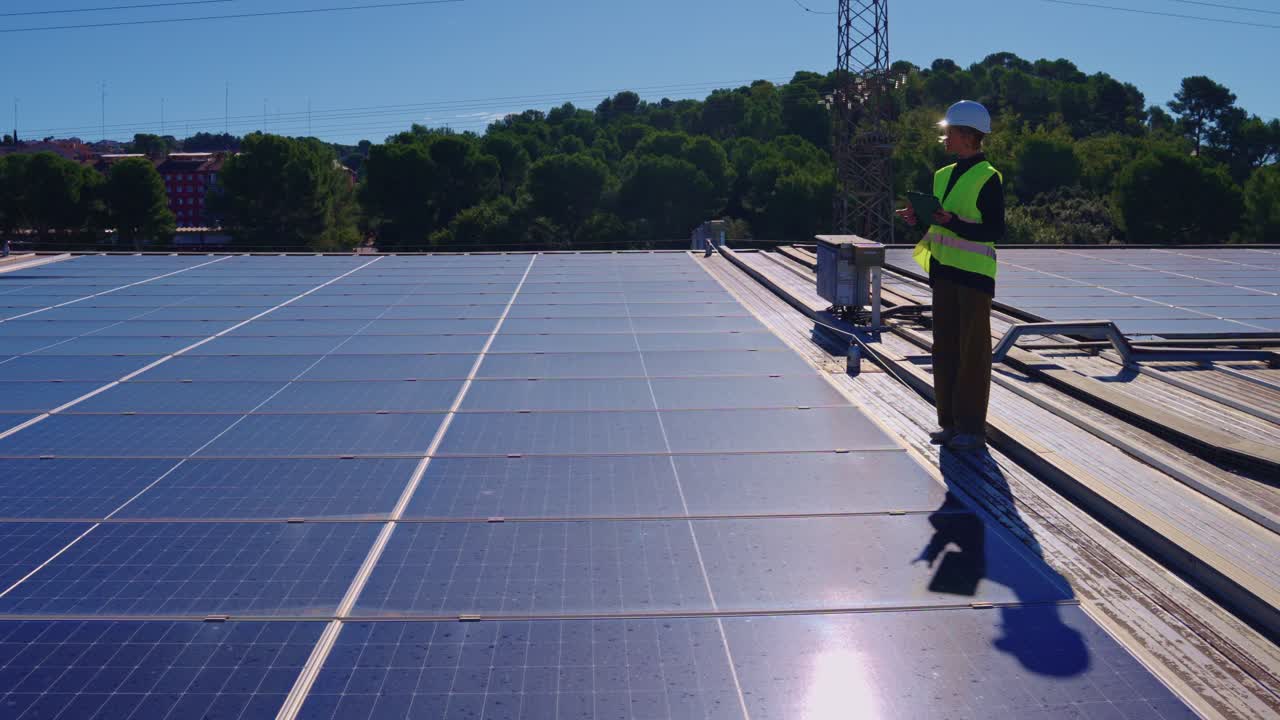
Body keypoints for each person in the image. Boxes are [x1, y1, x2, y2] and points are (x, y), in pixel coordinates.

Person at [896, 100, 1004, 451]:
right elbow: (939, 219)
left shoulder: (988, 178)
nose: (945, 137)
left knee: (972, 354)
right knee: (945, 349)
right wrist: (919, 218)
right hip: (943, 272)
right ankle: (950, 424)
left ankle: (971, 428)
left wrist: (951, 222)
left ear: (967, 135)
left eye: (950, 132)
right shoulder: (942, 175)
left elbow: (994, 229)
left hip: (973, 277)